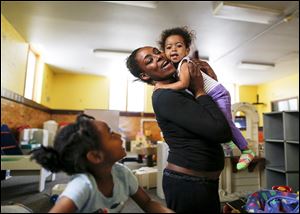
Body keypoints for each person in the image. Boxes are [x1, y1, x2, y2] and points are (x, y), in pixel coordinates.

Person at [126, 46, 232, 213]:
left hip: (201, 182)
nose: (159, 56)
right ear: (145, 75)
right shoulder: (165, 97)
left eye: (156, 52)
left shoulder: (180, 90)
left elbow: (211, 116)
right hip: (189, 185)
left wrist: (209, 82)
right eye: (149, 60)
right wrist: (199, 91)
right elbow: (221, 132)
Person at [156, 26, 255, 171]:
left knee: (226, 124)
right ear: (164, 52)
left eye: (179, 46)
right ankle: (230, 144)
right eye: (169, 47)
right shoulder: (178, 68)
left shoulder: (185, 63)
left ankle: (247, 151)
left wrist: (161, 87)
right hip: (213, 94)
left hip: (218, 94)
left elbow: (183, 84)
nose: (174, 50)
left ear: (187, 50)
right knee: (217, 122)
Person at [30, 114, 173, 213]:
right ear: (96, 156)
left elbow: (148, 203)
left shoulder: (122, 174)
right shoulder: (83, 186)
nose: (118, 135)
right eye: (110, 134)